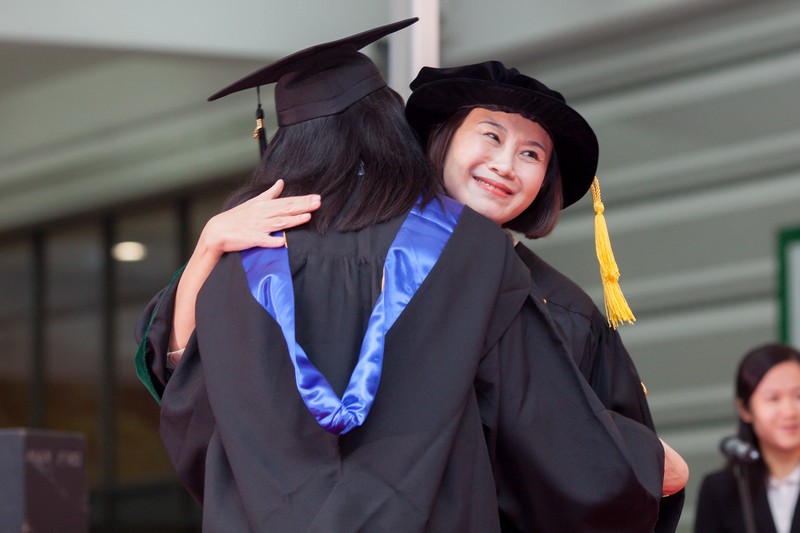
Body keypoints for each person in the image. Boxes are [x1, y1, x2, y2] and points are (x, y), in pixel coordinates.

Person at [136, 21, 669, 531]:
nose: (506, 166)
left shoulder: (251, 257)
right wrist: (642, 469)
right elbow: (559, 444)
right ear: (420, 136)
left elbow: (196, 418)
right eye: (490, 136)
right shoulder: (475, 258)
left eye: (530, 154)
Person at [695, 343, 800, 533]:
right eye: (773, 398)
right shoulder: (720, 490)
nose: (790, 411)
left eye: (799, 396)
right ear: (745, 409)